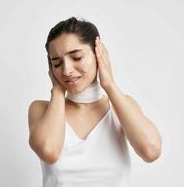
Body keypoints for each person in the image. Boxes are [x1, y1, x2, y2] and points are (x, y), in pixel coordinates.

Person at [28, 17, 162, 187]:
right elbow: (49, 152)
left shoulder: (121, 106)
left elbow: (151, 151)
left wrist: (110, 84)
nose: (67, 70)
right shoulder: (41, 109)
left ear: (99, 54)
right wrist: (57, 91)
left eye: (76, 57)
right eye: (57, 63)